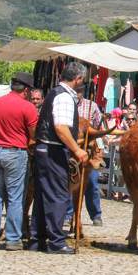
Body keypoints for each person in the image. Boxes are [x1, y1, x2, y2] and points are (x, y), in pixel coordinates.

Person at [29, 62, 89, 254]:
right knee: (58, 195)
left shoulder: (54, 92)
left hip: (44, 147)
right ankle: (56, 241)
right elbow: (61, 128)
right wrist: (77, 150)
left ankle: (37, 239)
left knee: (42, 194)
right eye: (82, 80)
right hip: (53, 148)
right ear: (77, 78)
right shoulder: (64, 96)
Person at [0, 72, 38, 251]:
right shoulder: (27, 107)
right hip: (15, 152)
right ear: (26, 91)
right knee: (15, 198)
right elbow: (33, 134)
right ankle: (13, 238)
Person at [66, 96, 105, 227]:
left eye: (79, 91)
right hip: (71, 149)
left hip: (89, 149)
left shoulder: (91, 106)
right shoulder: (64, 102)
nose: (77, 94)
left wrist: (99, 148)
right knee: (69, 183)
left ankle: (95, 214)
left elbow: (100, 130)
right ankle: (69, 215)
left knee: (91, 183)